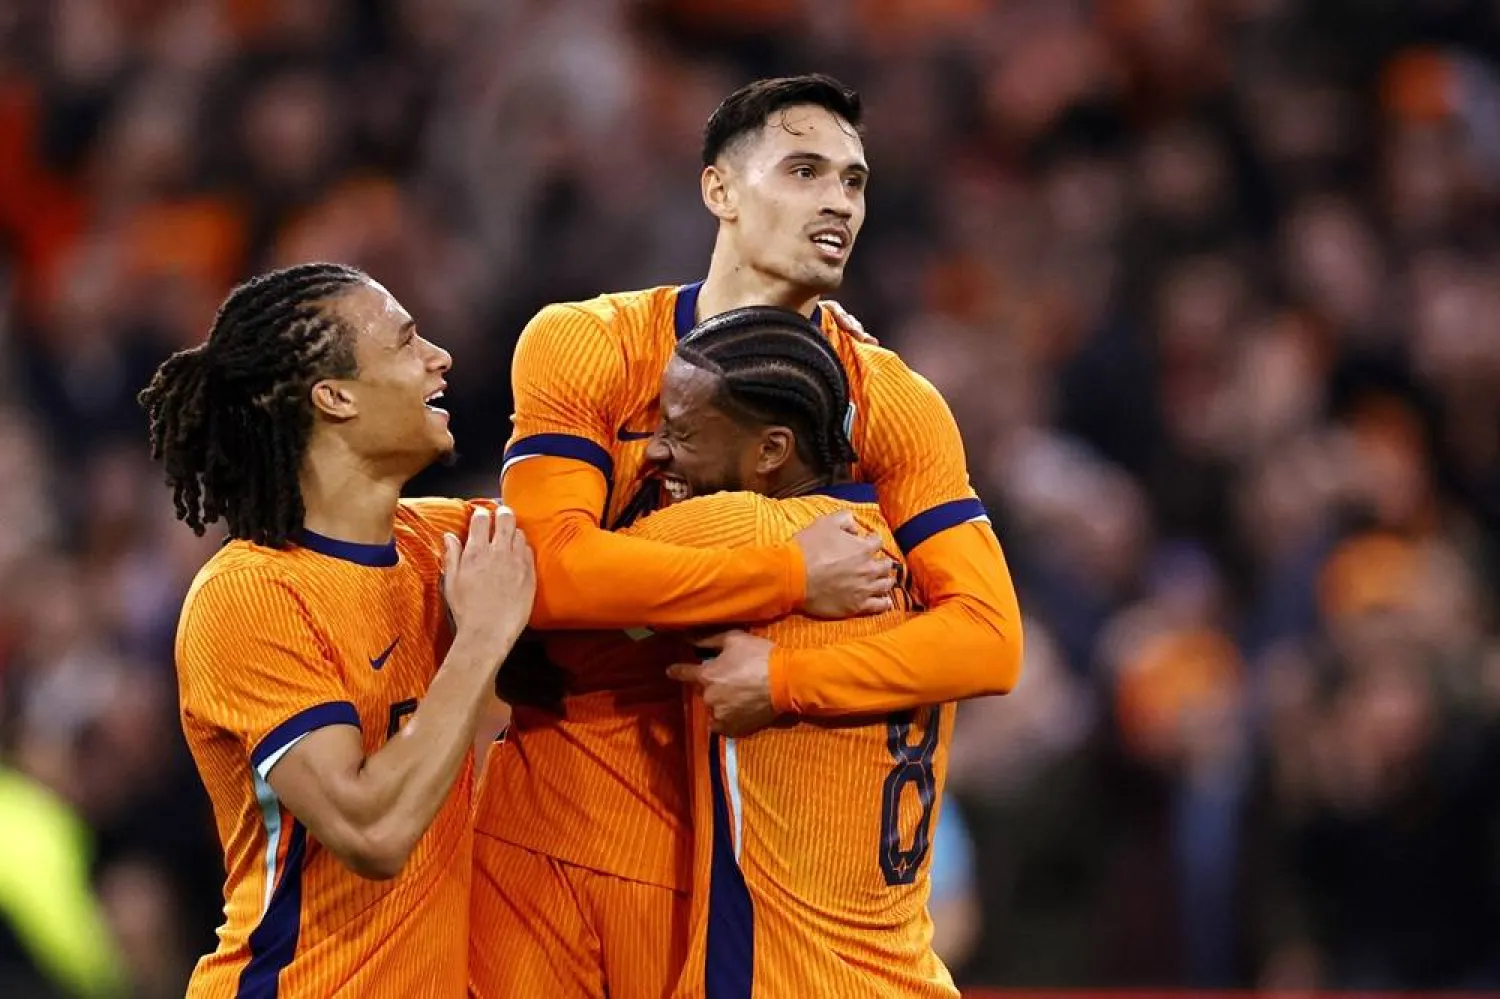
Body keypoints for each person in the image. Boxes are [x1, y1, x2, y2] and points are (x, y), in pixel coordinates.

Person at [470, 75, 1022, 999]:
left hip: (742, 855)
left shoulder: (894, 402)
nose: (837, 201)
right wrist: (786, 573)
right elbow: (550, 575)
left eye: (853, 180)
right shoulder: (587, 343)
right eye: (804, 170)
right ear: (718, 189)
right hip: (559, 826)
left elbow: (989, 636)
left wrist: (784, 677)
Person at [139, 262, 534, 997]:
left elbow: (608, 543)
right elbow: (371, 832)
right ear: (335, 396)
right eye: (407, 340)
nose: (438, 357)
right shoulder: (249, 596)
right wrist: (479, 642)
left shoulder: (440, 543)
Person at [621, 306, 963, 997]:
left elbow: (545, 576)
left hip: (786, 978)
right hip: (908, 974)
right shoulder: (917, 555)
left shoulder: (742, 526)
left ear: (771, 451)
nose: (656, 451)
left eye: (683, 432)